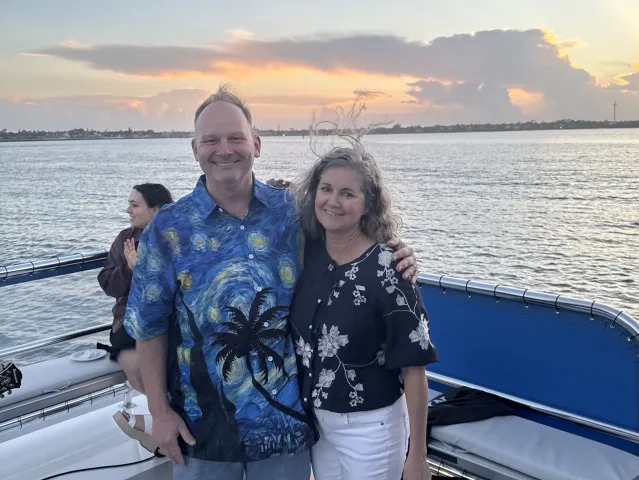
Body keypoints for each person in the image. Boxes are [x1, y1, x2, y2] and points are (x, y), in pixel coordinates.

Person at [123, 85, 418, 480]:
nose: (224, 149)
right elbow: (149, 326)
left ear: (256, 145)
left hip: (286, 428)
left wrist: (393, 249)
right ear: (194, 148)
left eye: (235, 138)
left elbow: (347, 237)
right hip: (202, 430)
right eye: (210, 139)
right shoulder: (168, 229)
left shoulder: (293, 212)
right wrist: (159, 412)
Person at [289, 143, 438, 480]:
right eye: (326, 189)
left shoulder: (390, 270)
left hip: (372, 428)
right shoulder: (308, 254)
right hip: (317, 423)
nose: (333, 201)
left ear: (368, 204)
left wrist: (417, 457)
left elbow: (414, 370)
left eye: (348, 193)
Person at [97, 183, 173, 452]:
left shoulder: (175, 236)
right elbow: (108, 284)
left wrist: (147, 270)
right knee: (135, 360)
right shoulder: (126, 239)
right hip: (128, 320)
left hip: (169, 318)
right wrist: (130, 271)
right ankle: (159, 420)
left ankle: (158, 422)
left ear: (155, 209)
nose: (128, 210)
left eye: (134, 205)